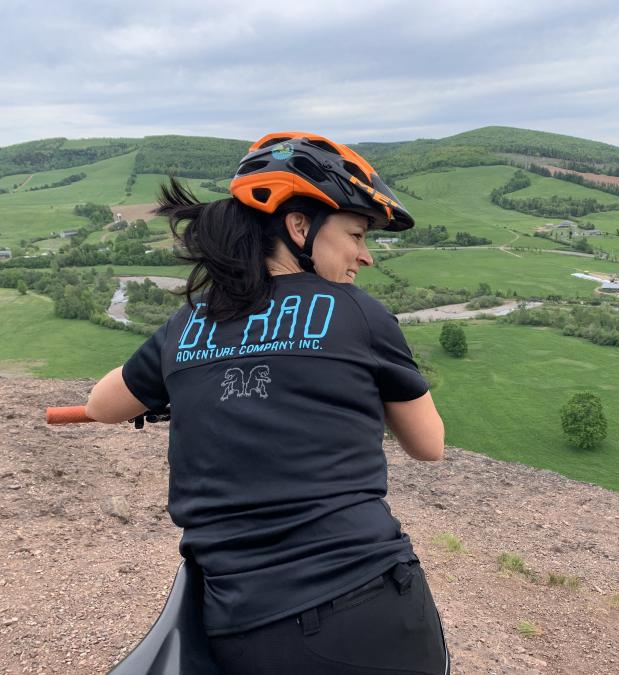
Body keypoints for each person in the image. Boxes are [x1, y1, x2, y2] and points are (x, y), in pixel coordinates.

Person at [85, 132, 450, 674]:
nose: (365, 256)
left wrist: (183, 387)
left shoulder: (186, 325)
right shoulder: (358, 314)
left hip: (239, 625)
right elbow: (428, 445)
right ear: (299, 226)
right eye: (355, 233)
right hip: (366, 603)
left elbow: (100, 405)